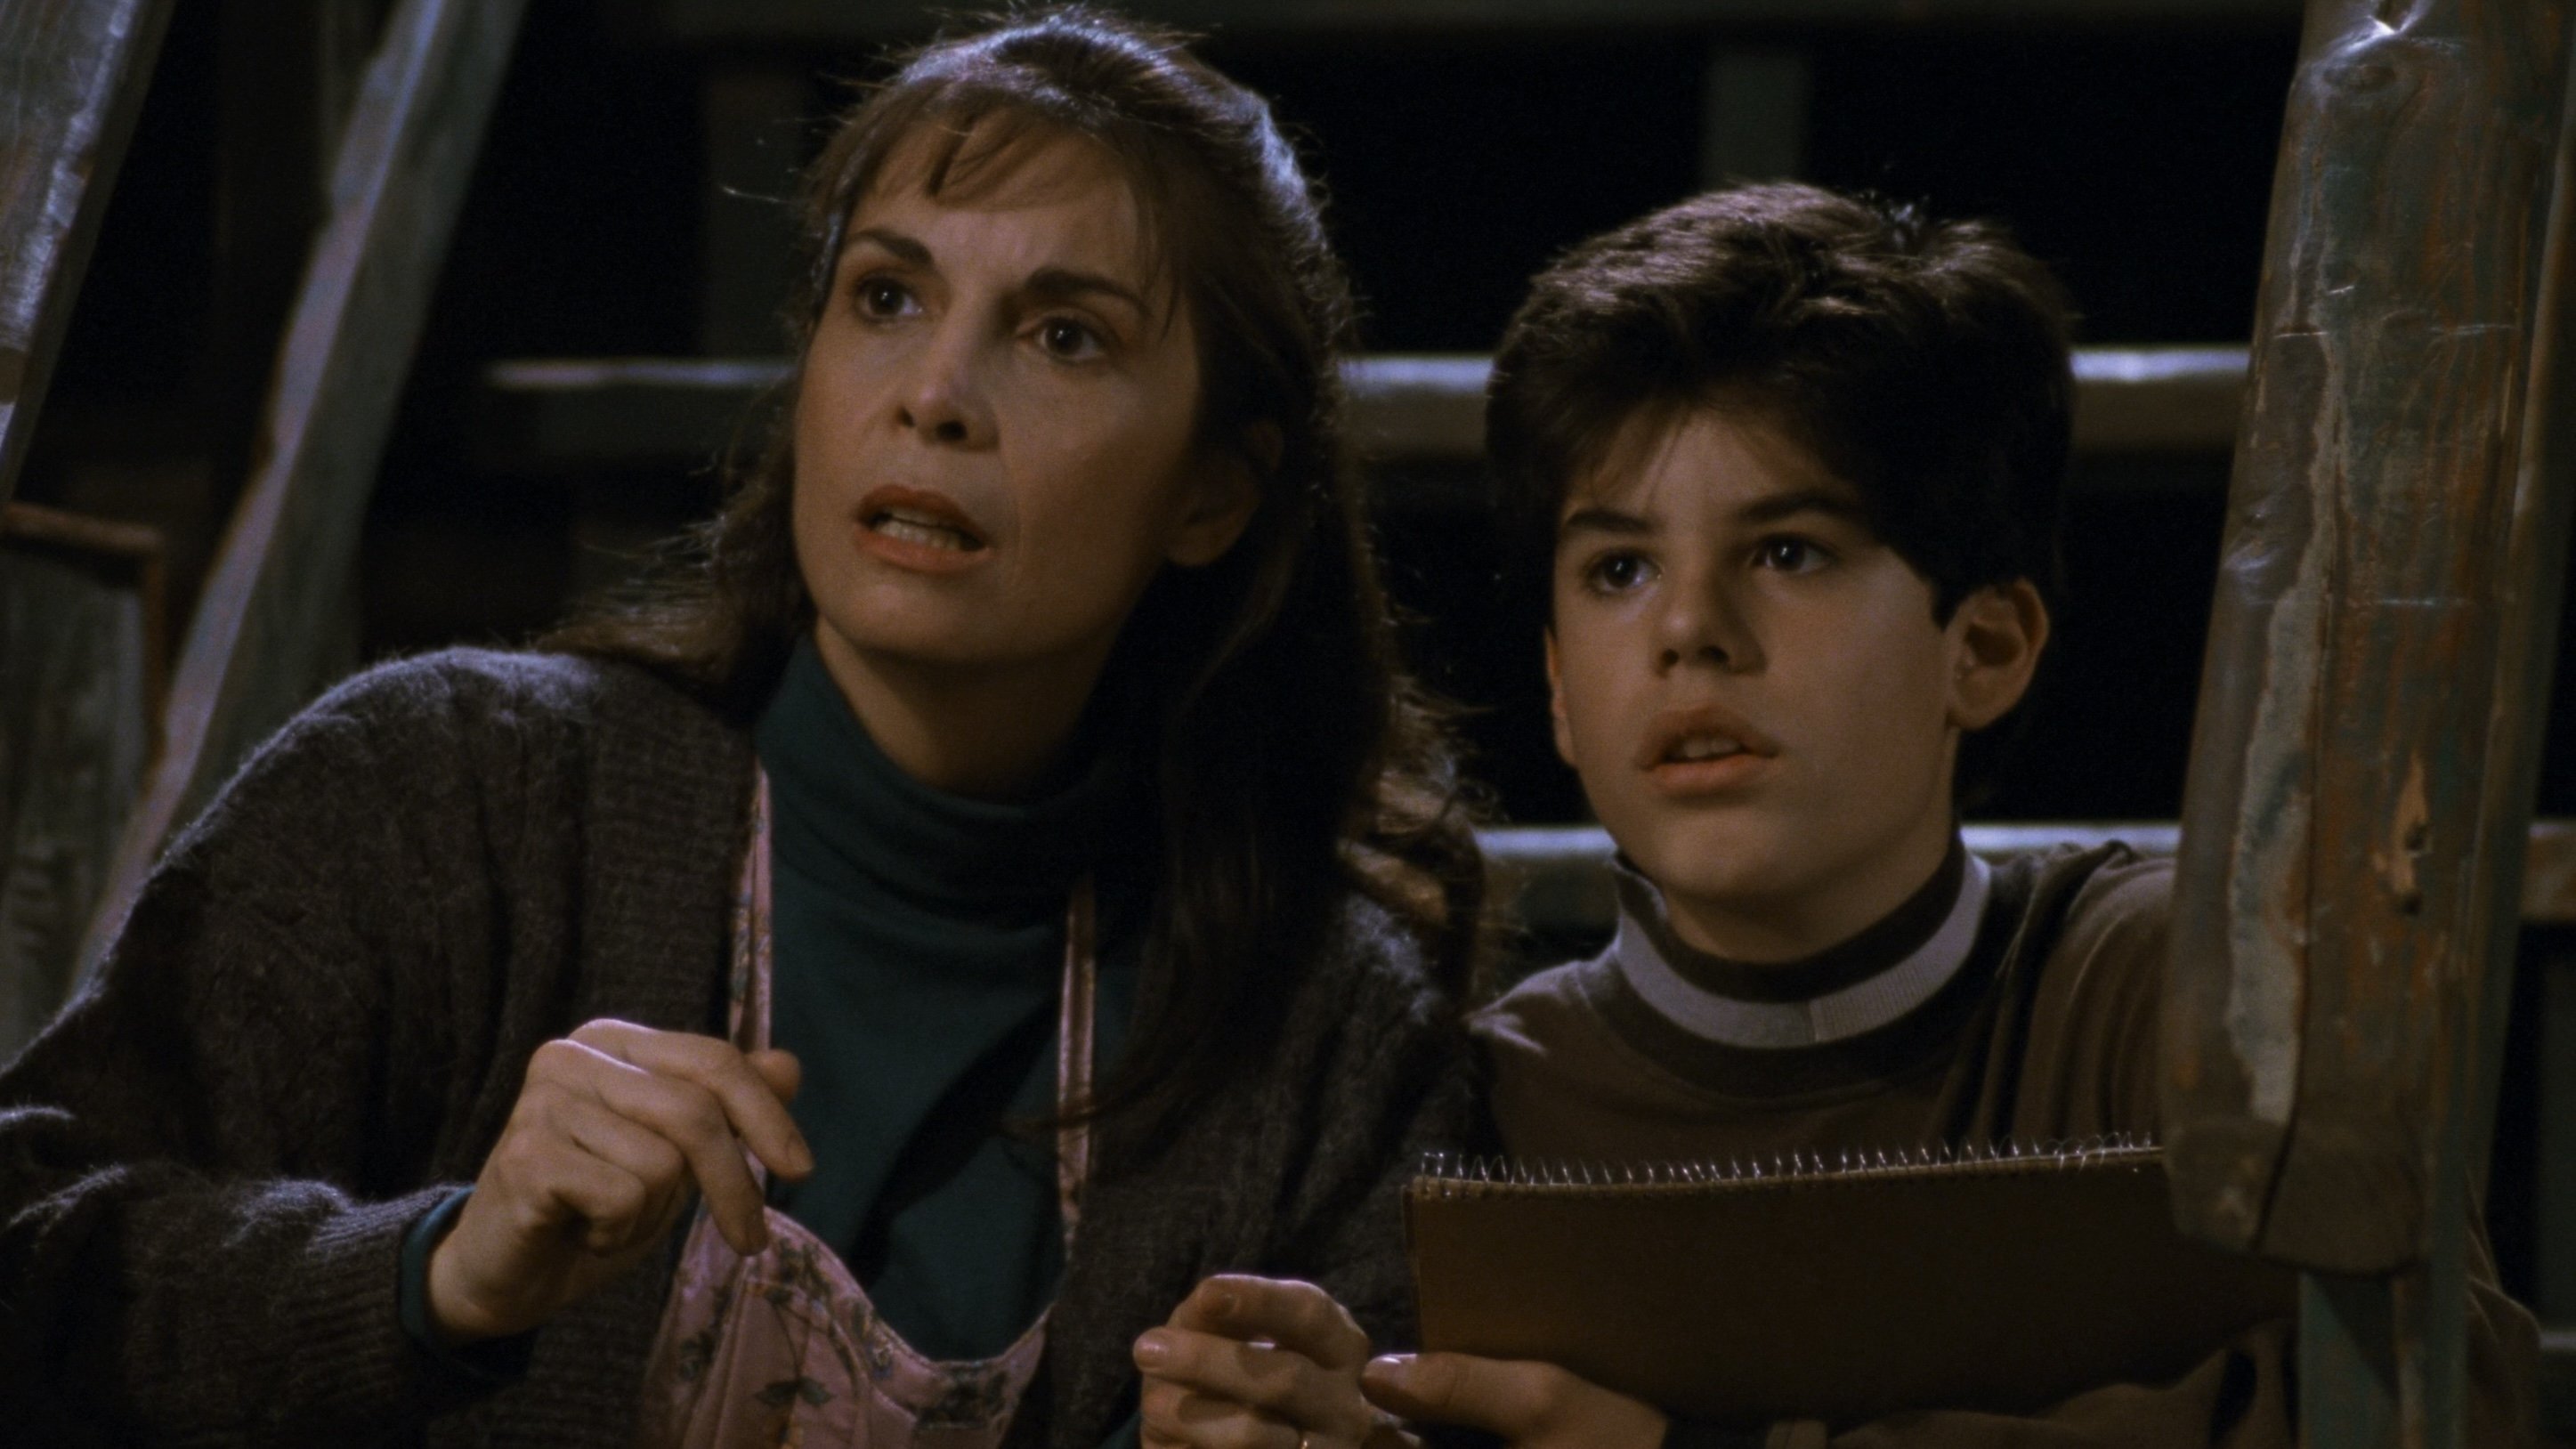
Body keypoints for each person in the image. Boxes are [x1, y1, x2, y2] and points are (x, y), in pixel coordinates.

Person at [0, 10, 1481, 1447]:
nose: (935, 396)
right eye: (886, 298)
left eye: (1063, 336)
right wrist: (437, 1275)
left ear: (1214, 493)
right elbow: (30, 1256)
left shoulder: (1325, 1027)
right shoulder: (450, 796)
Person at [1145, 183, 2543, 1447]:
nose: (1689, 629)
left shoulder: (2160, 986)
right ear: (1561, 689)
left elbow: (2443, 1395)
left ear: (1982, 647)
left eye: (1788, 551)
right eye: (1619, 569)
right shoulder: (1489, 1108)